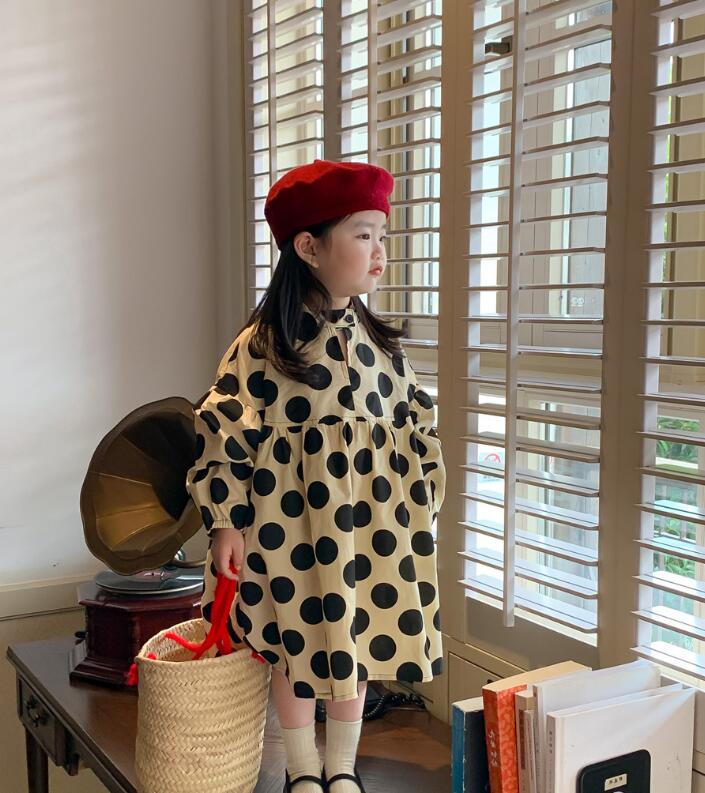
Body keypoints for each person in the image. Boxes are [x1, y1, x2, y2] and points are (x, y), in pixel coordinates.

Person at [185, 159, 446, 793]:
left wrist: (421, 500)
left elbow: (417, 426)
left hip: (366, 529)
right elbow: (226, 433)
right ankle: (303, 768)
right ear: (308, 247)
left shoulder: (382, 348)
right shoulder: (262, 347)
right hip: (288, 531)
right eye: (363, 235)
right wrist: (226, 524)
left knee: (353, 643)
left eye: (382, 236)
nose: (379, 253)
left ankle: (343, 766)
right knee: (294, 648)